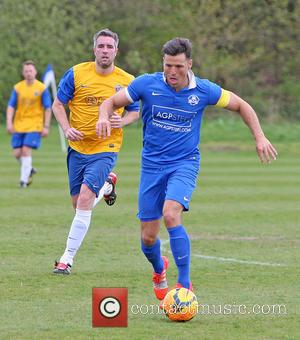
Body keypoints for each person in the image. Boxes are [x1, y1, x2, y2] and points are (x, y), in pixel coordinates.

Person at [97, 37, 278, 300]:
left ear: (189, 64)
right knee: (148, 239)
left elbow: (242, 105)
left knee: (171, 214)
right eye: (168, 65)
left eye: (179, 66)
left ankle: (184, 286)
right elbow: (110, 102)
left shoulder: (204, 90)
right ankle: (160, 270)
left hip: (184, 163)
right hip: (151, 166)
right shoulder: (146, 84)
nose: (172, 71)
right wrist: (104, 117)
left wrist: (260, 137)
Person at [52, 28, 140, 274]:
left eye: (109, 47)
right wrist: (67, 128)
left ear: (116, 51)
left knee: (84, 200)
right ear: (94, 49)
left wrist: (123, 122)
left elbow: (134, 111)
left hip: (106, 146)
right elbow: (58, 105)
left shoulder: (126, 80)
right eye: (100, 46)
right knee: (78, 204)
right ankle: (107, 186)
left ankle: (66, 259)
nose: (104, 50)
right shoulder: (76, 73)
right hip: (78, 147)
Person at [6, 60, 52, 188]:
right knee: (17, 153)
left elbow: (48, 108)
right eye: (26, 71)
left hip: (35, 124)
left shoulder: (41, 88)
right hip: (19, 124)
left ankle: (23, 181)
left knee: (26, 150)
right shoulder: (18, 87)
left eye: (30, 70)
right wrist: (9, 122)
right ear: (23, 73)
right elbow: (10, 106)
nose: (28, 73)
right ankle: (29, 169)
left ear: (35, 72)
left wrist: (46, 126)